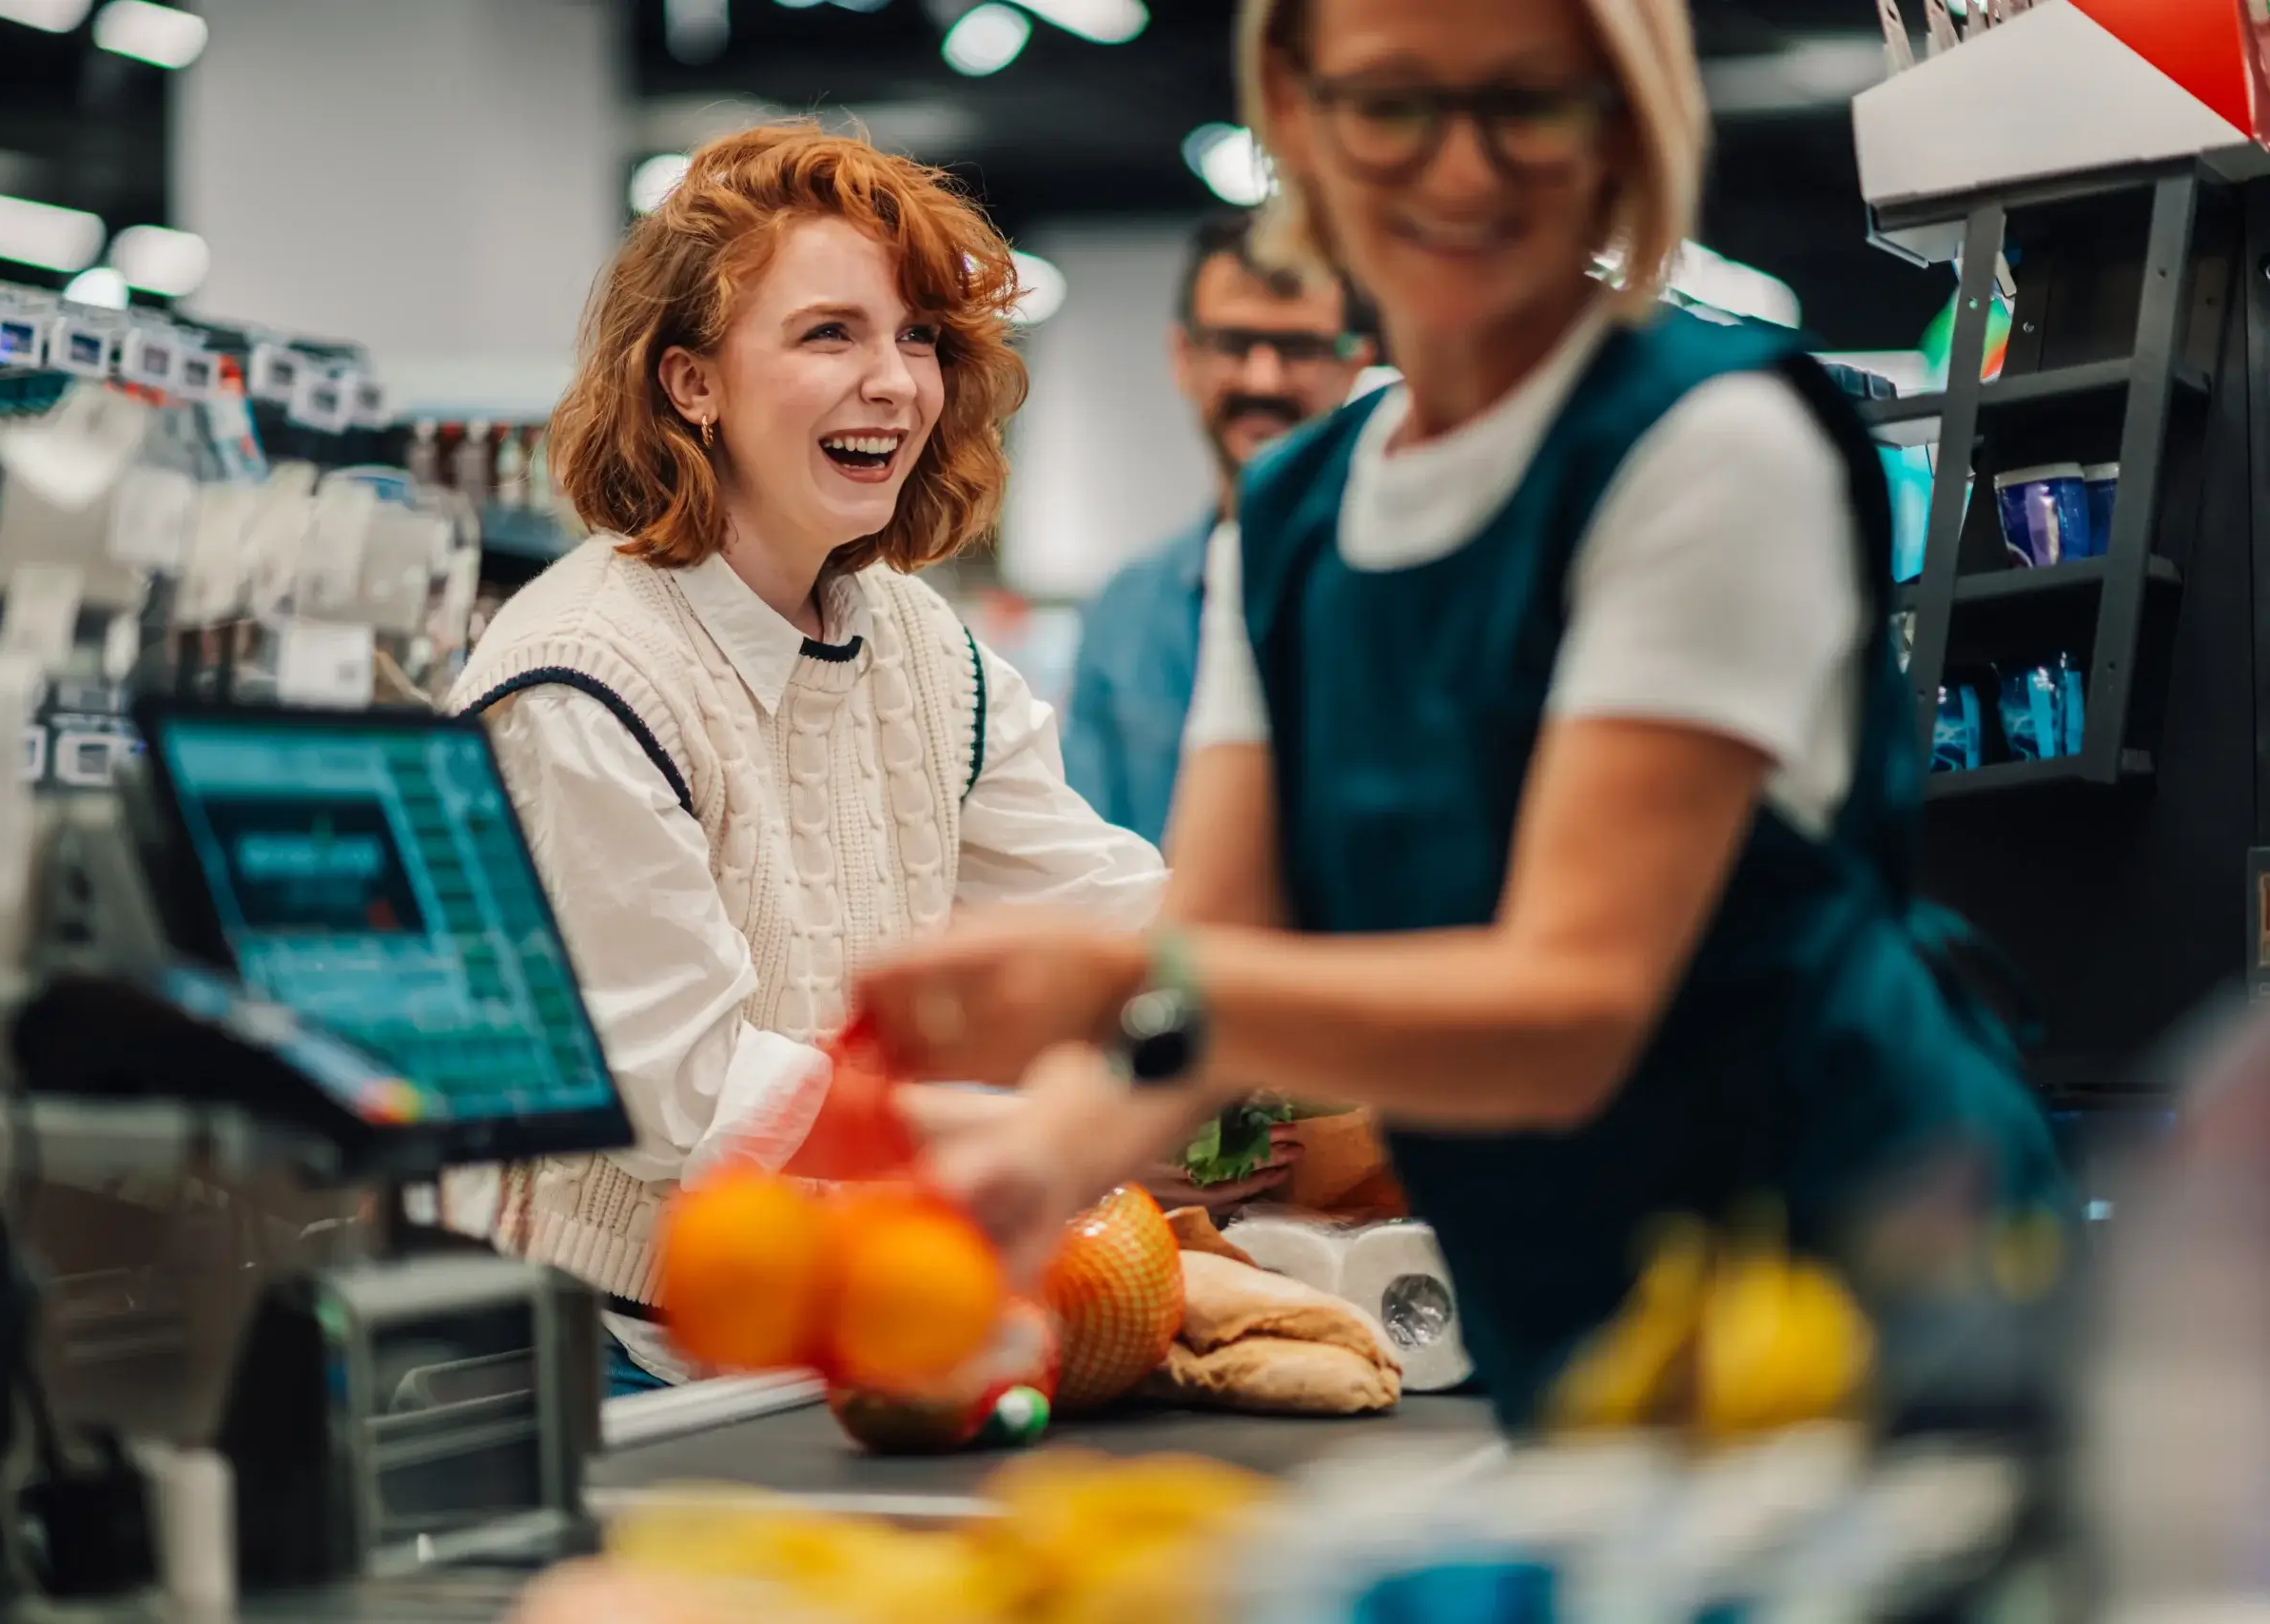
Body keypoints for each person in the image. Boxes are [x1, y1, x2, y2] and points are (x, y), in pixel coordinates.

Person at [849, 0, 2064, 1430]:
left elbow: (1575, 1007)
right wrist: (1043, 1156)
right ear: (1298, 121)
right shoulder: (1294, 516)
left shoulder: (1710, 445)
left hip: (1862, 1284)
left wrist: (1106, 983)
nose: (1462, 167)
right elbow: (1215, 961)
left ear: (1620, 129)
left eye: (1527, 103)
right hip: (1589, 1306)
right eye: (1392, 105)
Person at [444, 124, 1164, 1396]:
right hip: (600, 1355)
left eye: (917, 337)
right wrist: (1056, 1134)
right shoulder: (582, 676)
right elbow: (695, 1092)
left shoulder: (919, 644)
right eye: (829, 334)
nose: (893, 383)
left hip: (836, 1320)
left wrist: (1287, 1012)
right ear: (691, 383)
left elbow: (1103, 907)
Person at [1061, 210, 1374, 849]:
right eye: (1234, 343)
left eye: (1299, 348)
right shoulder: (1125, 612)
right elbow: (1081, 856)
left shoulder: (1408, 594)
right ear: (1185, 357)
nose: (1264, 379)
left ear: (1353, 365)